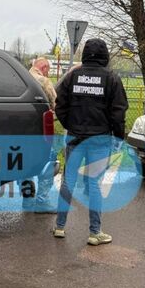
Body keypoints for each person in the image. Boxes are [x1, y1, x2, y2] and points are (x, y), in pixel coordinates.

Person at [52, 38, 128, 245]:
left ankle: (59, 226)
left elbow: (60, 104)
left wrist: (70, 124)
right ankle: (95, 232)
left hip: (75, 137)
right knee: (94, 183)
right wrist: (118, 137)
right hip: (100, 139)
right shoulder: (112, 78)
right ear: (105, 55)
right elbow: (118, 112)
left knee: (68, 181)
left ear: (85, 54)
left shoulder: (73, 76)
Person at [27, 57, 59, 213]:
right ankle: (42, 201)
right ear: (44, 67)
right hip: (40, 131)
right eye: (49, 70)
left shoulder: (22, 77)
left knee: (26, 163)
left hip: (22, 131)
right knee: (49, 162)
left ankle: (27, 198)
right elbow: (55, 103)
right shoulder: (44, 81)